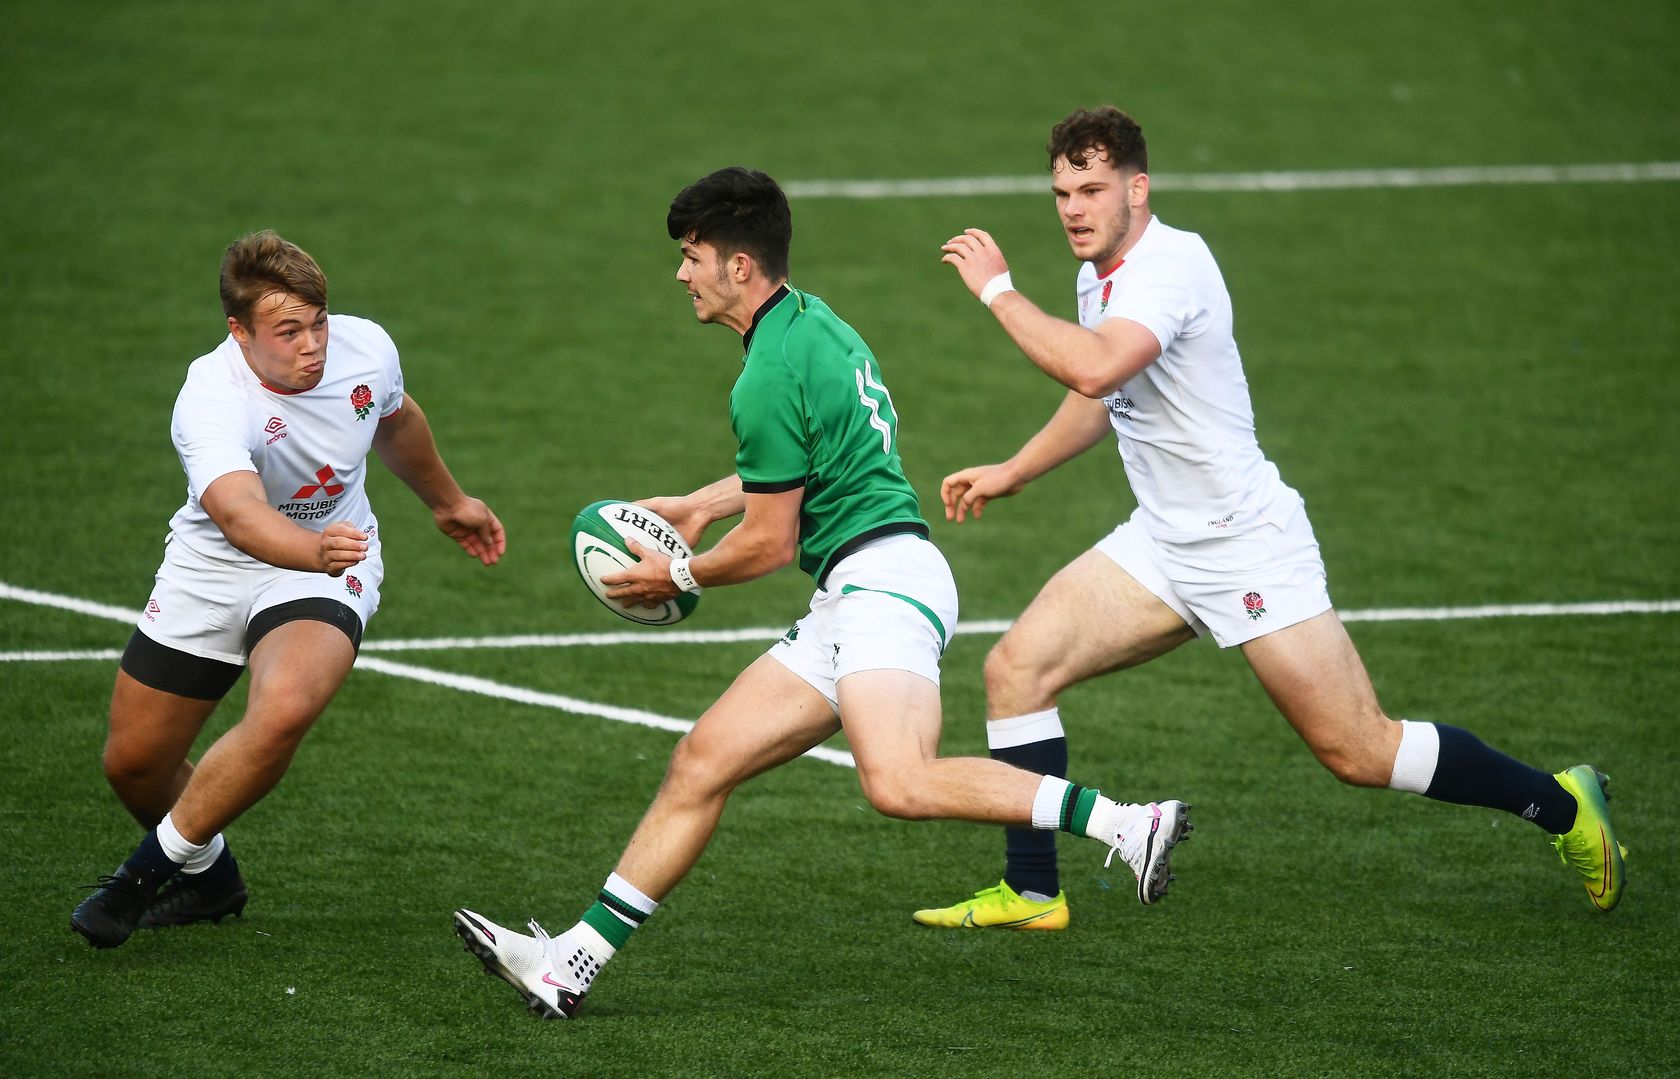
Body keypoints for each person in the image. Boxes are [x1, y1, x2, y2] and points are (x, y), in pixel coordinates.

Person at [452, 167, 1192, 1019]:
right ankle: (569, 963)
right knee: (702, 760)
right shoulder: (814, 325)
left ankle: (1126, 824)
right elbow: (810, 463)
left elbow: (768, 542)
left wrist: (678, 574)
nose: (681, 274)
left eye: (693, 257)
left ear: (739, 266)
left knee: (900, 782)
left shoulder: (764, 373)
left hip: (885, 584)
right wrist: (698, 505)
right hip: (857, 589)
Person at [912, 105, 1626, 931]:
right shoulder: (1096, 272)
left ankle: (1566, 807)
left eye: (1092, 188)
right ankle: (1034, 892)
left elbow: (1099, 359)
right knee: (1016, 669)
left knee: (1358, 749)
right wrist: (1015, 469)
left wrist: (997, 291)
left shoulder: (1172, 265)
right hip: (1162, 541)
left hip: (1245, 547)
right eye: (1062, 191)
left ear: (1138, 189)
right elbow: (1102, 393)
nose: (1073, 207)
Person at [71, 230, 506, 949]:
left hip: (335, 564)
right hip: (218, 565)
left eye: (319, 322)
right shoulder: (210, 397)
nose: (314, 345)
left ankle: (139, 878)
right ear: (239, 332)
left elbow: (395, 421)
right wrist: (310, 545)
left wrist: (447, 500)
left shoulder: (367, 349)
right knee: (136, 764)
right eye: (289, 331)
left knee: (286, 707)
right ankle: (210, 878)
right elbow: (240, 516)